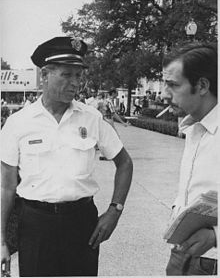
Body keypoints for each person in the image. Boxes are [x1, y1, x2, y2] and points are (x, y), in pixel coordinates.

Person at [1, 36, 133, 277]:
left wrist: (115, 210)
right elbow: (7, 187)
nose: (75, 83)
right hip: (34, 224)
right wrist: (1, 241)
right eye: (67, 75)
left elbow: (124, 163)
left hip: (81, 223)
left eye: (78, 76)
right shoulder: (17, 123)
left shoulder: (91, 118)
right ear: (45, 75)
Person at [162, 42, 218, 275]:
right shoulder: (193, 128)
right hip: (182, 253)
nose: (165, 94)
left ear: (202, 85)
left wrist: (216, 236)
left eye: (173, 85)